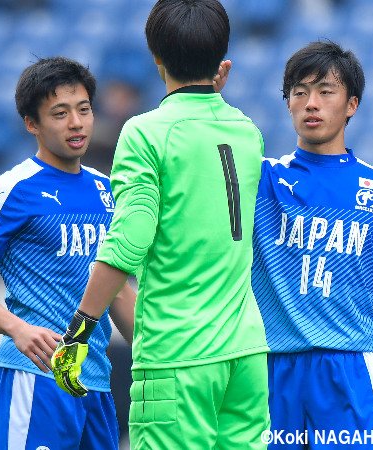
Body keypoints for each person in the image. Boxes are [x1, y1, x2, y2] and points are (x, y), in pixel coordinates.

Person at [51, 1, 270, 449]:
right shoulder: (247, 130)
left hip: (178, 355)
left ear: (157, 59)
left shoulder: (145, 133)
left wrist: (78, 332)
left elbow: (129, 240)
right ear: (221, 63)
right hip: (246, 353)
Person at [250, 41, 373, 448]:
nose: (311, 103)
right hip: (268, 367)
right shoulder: (259, 181)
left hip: (347, 367)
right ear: (288, 104)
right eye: (299, 92)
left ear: (351, 104)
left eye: (325, 92)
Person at [0, 56, 136, 450]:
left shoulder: (109, 191)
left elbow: (117, 289)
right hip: (36, 377)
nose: (76, 123)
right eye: (60, 113)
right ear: (31, 124)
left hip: (97, 382)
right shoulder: (10, 189)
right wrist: (17, 329)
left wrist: (156, 353)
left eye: (84, 110)